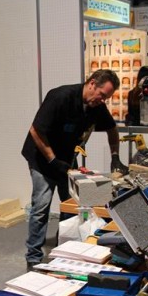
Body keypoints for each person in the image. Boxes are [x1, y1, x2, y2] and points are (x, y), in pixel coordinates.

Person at [21, 69, 128, 268]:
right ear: (92, 83)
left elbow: (112, 129)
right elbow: (36, 130)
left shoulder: (96, 106)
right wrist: (53, 160)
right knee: (41, 207)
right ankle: (33, 257)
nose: (103, 100)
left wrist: (115, 157)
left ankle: (65, 248)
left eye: (106, 98)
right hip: (42, 158)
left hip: (66, 159)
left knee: (73, 204)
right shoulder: (60, 96)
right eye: (102, 95)